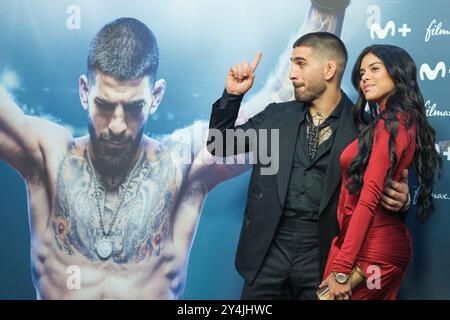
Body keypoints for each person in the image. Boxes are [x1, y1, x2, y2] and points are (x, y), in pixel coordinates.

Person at [0, 17, 253, 299]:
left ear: (155, 97)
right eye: (104, 105)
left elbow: (273, 131)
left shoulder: (179, 163)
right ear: (84, 91)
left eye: (133, 107)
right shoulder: (47, 156)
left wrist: (314, 17)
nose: (117, 126)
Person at [207, 32, 411, 299]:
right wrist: (232, 97)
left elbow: (375, 203)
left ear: (329, 69)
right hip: (268, 250)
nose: (292, 74)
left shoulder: (366, 131)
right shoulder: (275, 117)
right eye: (291, 63)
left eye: (300, 63)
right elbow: (220, 145)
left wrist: (403, 201)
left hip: (323, 255)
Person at [319, 44, 442, 300]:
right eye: (362, 72)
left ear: (398, 73)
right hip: (372, 245)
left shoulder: (391, 123)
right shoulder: (397, 121)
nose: (365, 77)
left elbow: (369, 195)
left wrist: (342, 269)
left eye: (375, 69)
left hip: (371, 249)